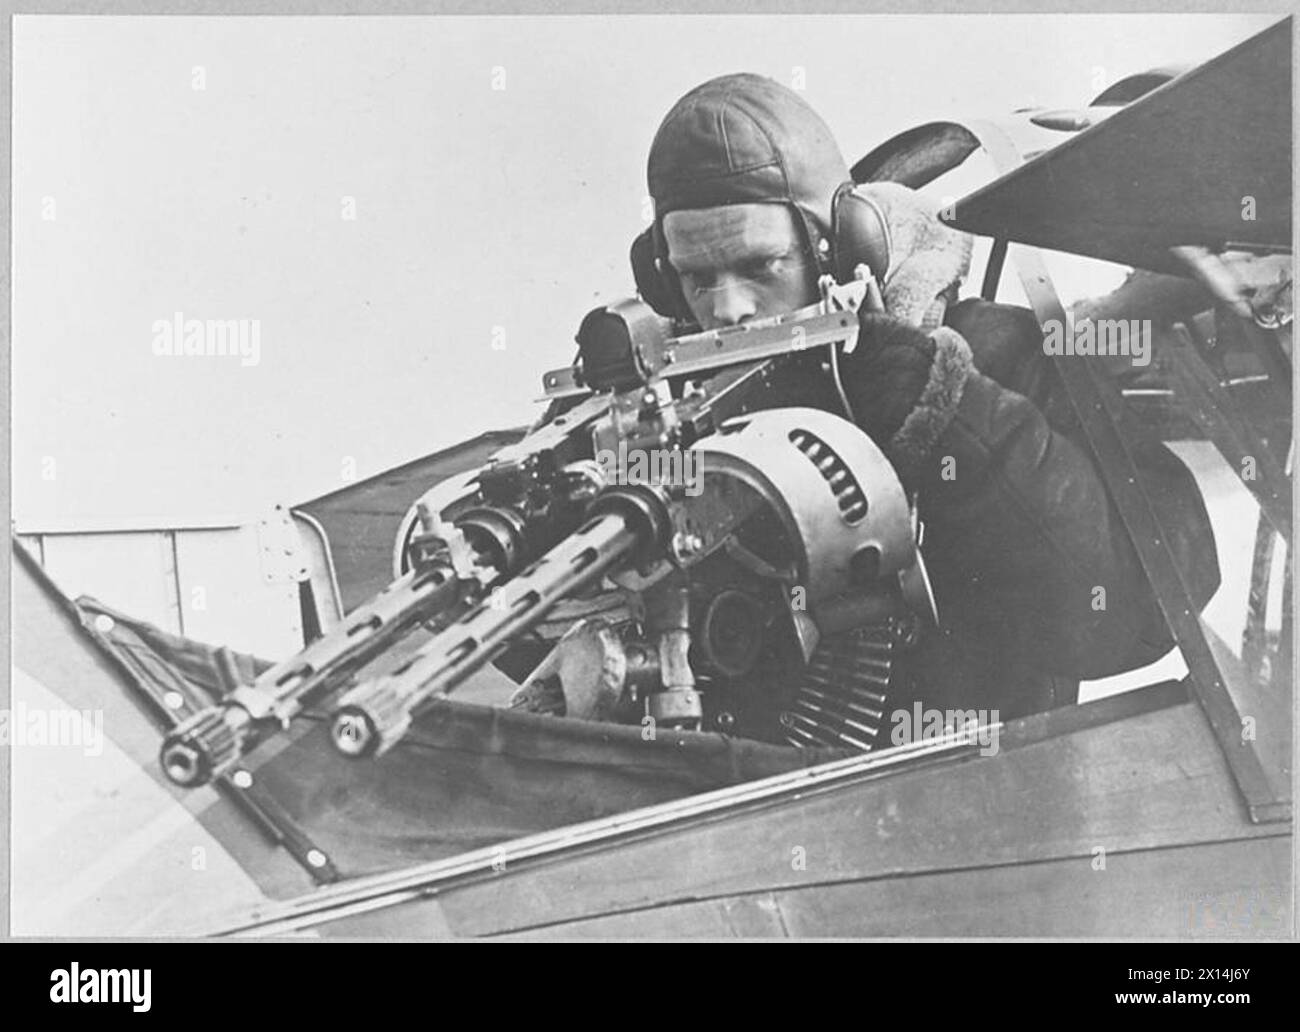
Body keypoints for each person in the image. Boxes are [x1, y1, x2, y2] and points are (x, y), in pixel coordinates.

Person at [628, 73, 1221, 724]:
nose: (728, 309)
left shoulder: (991, 354)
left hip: (981, 796)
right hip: (740, 800)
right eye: (697, 277)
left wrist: (945, 411)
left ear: (844, 244)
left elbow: (1148, 607)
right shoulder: (671, 415)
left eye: (760, 266)